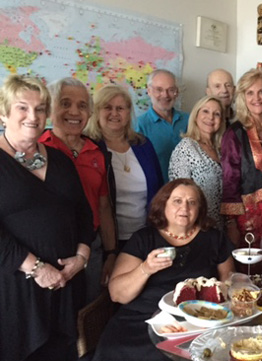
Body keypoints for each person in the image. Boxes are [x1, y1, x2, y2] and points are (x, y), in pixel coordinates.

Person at [81, 179, 234, 361]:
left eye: (192, 202)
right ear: (163, 205)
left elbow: (229, 281)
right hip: (135, 319)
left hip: (184, 324)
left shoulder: (213, 238)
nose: (184, 207)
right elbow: (116, 294)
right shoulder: (144, 239)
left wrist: (220, 295)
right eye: (177, 201)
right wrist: (145, 268)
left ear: (200, 209)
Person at [0, 75, 93, 361]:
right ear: (4, 113)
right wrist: (37, 268)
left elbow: (84, 215)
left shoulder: (61, 160)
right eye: (22, 107)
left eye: (39, 109)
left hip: (64, 286)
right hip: (13, 291)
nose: (32, 116)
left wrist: (81, 258)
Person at [40, 77, 117, 303]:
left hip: (90, 248)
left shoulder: (97, 153)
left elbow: (103, 207)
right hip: (48, 252)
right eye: (65, 103)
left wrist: (110, 254)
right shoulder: (37, 148)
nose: (74, 112)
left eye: (82, 106)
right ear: (50, 109)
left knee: (89, 313)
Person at [85, 84, 163, 251]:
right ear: (97, 112)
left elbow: (159, 190)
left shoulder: (142, 144)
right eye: (108, 107)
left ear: (129, 113)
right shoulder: (89, 148)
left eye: (120, 108)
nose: (114, 113)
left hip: (145, 236)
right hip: (106, 241)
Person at [221, 69, 262, 270]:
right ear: (242, 97)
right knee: (251, 276)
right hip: (249, 220)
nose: (256, 98)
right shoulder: (235, 133)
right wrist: (231, 224)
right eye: (250, 93)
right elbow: (229, 182)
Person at [169, 95, 225, 227]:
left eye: (216, 114)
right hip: (196, 226)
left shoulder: (221, 150)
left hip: (220, 227)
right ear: (195, 115)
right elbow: (179, 193)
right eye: (205, 111)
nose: (211, 117)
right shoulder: (186, 147)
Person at [135, 69, 189, 182]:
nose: (165, 95)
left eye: (171, 90)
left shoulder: (190, 120)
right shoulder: (139, 125)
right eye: (159, 90)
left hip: (187, 192)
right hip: (157, 194)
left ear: (177, 92)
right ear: (149, 91)